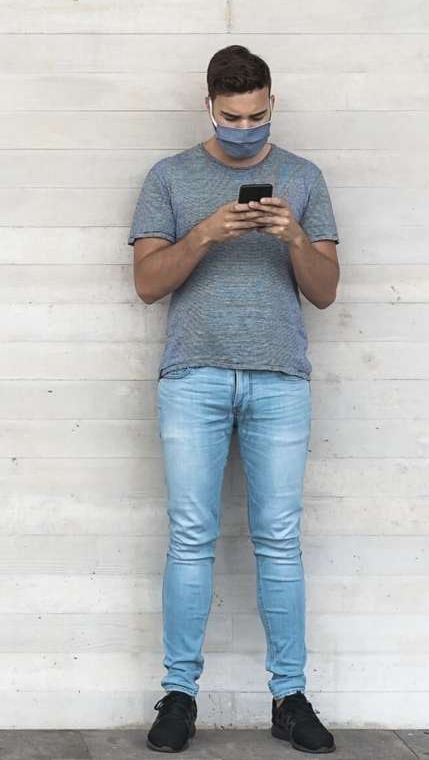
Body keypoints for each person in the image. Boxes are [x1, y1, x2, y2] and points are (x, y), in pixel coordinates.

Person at [129, 45, 341, 754]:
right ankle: (179, 694)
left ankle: (289, 696)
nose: (244, 126)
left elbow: (325, 288)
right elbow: (148, 282)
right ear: (210, 106)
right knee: (191, 537)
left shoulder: (305, 179)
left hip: (280, 378)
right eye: (231, 116)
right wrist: (206, 231)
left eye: (255, 115)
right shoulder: (170, 177)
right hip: (194, 377)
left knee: (279, 540)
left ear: (272, 103)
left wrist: (295, 237)